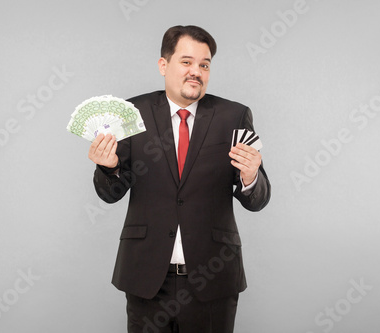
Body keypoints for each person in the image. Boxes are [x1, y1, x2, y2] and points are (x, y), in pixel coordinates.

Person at [87, 25, 271, 333]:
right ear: (164, 65)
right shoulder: (133, 113)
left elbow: (259, 199)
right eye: (186, 62)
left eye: (204, 64)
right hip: (146, 278)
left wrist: (250, 176)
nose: (195, 71)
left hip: (213, 278)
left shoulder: (234, 116)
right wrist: (110, 168)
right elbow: (111, 193)